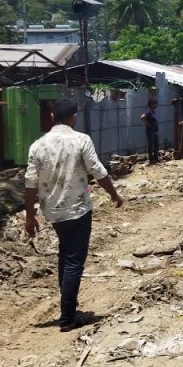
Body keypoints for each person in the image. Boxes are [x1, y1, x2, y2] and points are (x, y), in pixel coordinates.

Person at [24, 99, 123, 332]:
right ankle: (68, 317)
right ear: (74, 117)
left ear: (52, 118)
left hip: (53, 212)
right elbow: (97, 171)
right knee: (73, 261)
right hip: (77, 210)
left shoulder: (37, 145)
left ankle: (69, 303)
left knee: (66, 255)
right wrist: (114, 195)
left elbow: (30, 183)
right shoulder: (81, 140)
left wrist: (30, 216)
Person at [141, 98, 160, 164]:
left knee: (156, 145)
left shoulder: (153, 111)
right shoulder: (148, 111)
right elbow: (142, 117)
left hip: (154, 131)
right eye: (155, 104)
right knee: (151, 145)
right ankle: (151, 159)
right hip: (150, 131)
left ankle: (156, 159)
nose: (156, 105)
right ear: (151, 104)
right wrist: (149, 124)